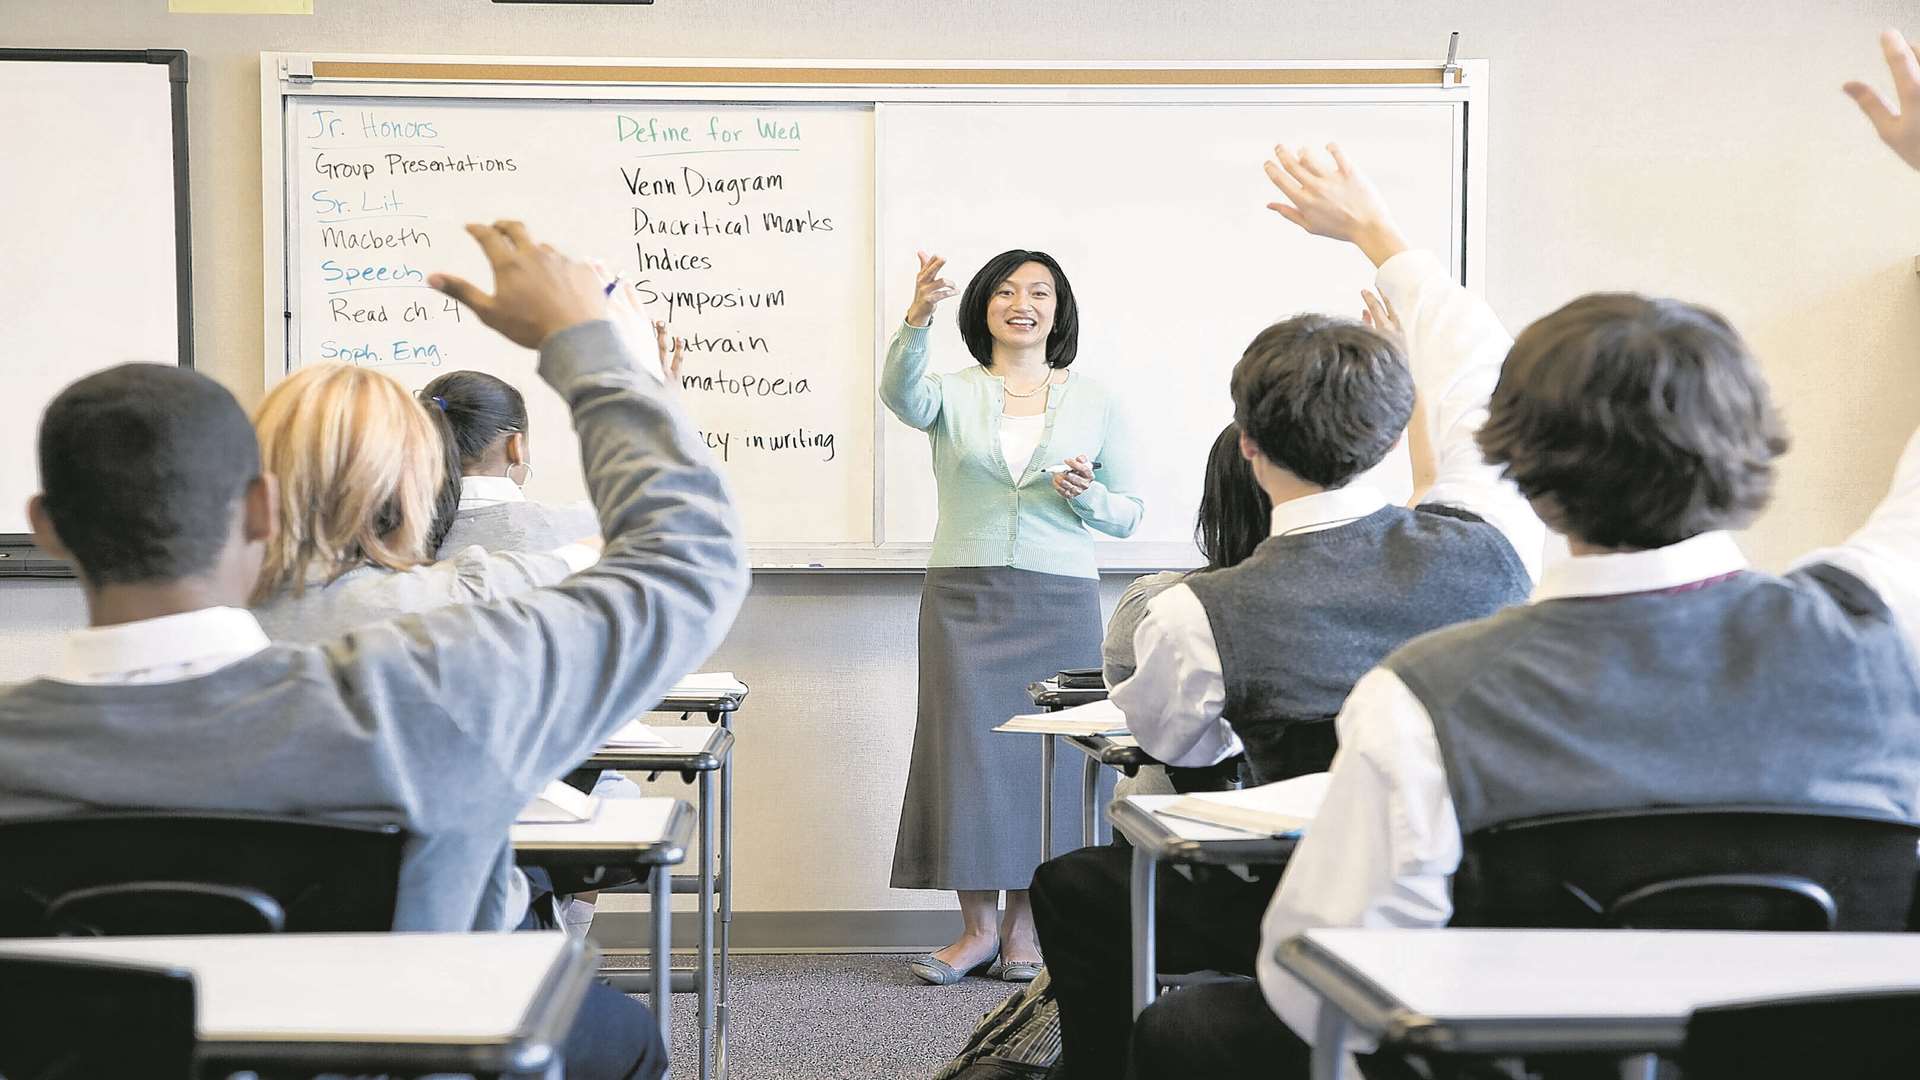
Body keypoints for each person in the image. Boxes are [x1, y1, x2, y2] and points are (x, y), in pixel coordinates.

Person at [1126, 36, 1920, 1079]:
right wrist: (1381, 236)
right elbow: (1468, 380)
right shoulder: (1880, 624)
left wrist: (1377, 235)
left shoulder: (1426, 699)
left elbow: (1312, 980)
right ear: (1755, 449)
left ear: (1521, 477)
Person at [0, 220, 749, 1080]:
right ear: (258, 511)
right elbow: (691, 560)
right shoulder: (432, 692)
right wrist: (594, 351)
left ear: (48, 530)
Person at [1030, 143, 1545, 1080]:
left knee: (1072, 884)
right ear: (1395, 437)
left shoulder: (1197, 612)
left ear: (1247, 446)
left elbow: (1178, 750)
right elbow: (1481, 368)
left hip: (1287, 901)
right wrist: (1375, 232)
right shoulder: (1492, 543)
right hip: (1481, 898)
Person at [883, 248, 1145, 985]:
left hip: (1057, 598)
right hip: (963, 595)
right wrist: (914, 320)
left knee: (1050, 762)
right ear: (984, 309)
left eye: (1039, 291)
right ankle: (976, 932)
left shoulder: (1093, 400)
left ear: (1059, 311)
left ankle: (1027, 934)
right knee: (964, 756)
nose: (1021, 302)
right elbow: (899, 397)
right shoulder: (951, 392)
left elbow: (1127, 514)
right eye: (1004, 290)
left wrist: (1086, 497)